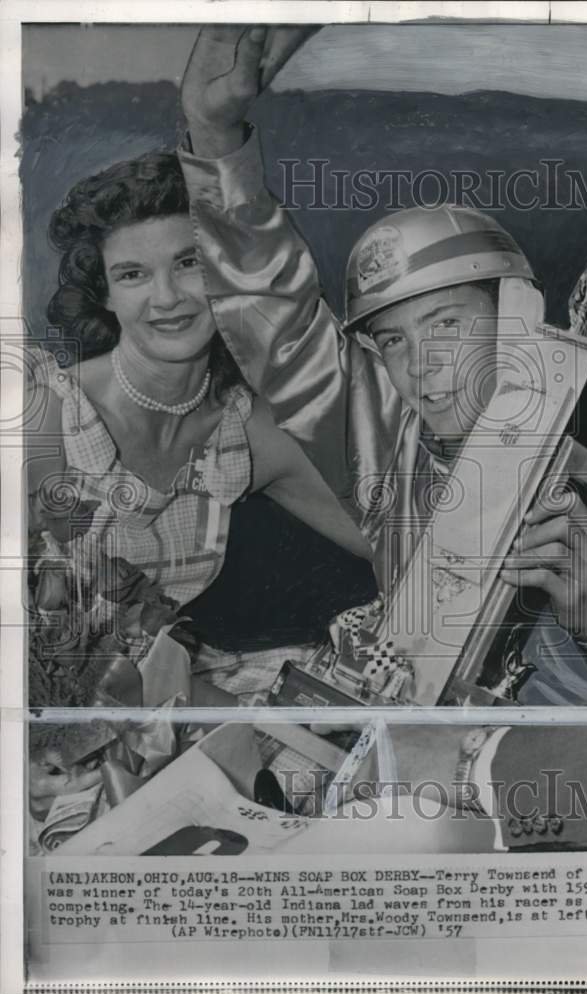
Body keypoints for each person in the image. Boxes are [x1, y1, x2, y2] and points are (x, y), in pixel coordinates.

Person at [178, 26, 587, 707]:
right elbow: (281, 329)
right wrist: (213, 136)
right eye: (392, 341)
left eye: (447, 324)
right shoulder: (396, 451)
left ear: (516, 320)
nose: (422, 367)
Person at [27, 149, 373, 711]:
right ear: (106, 294)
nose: (167, 299)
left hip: (179, 706)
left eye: (189, 263)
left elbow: (402, 546)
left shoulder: (252, 429)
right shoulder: (49, 414)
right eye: (133, 274)